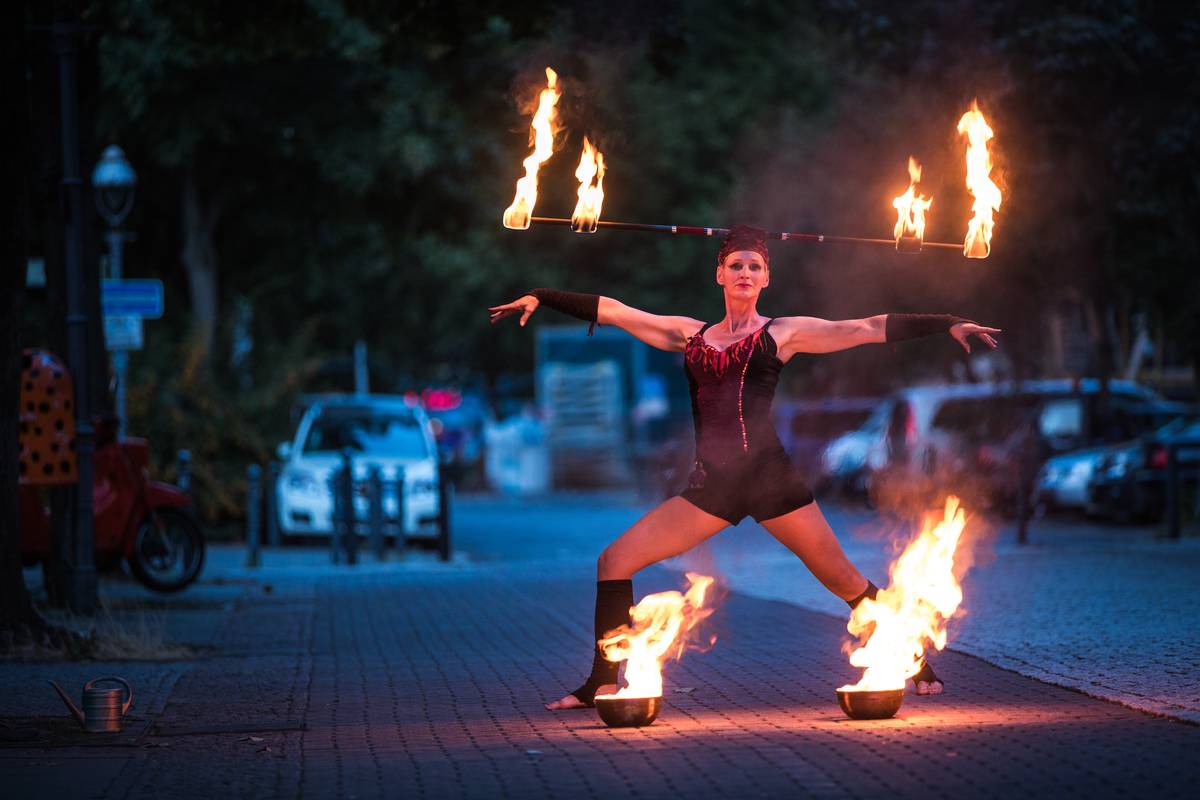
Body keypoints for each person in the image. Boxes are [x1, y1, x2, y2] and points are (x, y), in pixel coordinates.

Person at [488, 226, 1001, 710]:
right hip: (713, 487)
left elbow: (864, 327)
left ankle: (911, 657)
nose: (746, 274)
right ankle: (601, 680)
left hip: (770, 481)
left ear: (766, 278)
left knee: (843, 579)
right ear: (720, 273)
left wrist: (947, 321)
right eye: (736, 265)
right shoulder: (689, 336)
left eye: (755, 266)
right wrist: (543, 295)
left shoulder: (783, 334)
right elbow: (617, 311)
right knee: (614, 561)